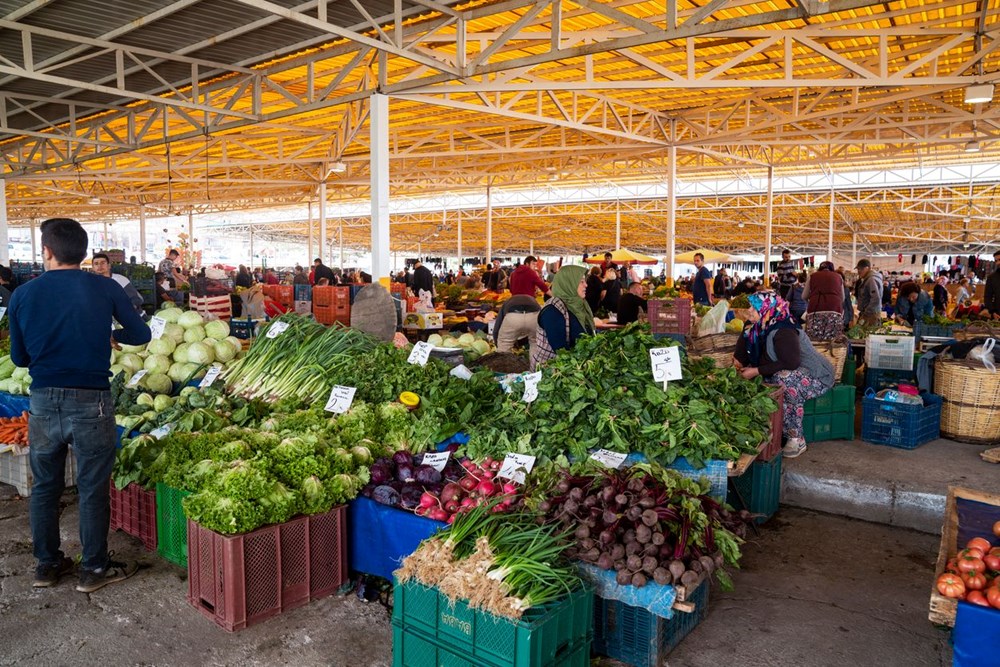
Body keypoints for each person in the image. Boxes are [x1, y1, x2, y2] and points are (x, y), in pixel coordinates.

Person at [9, 218, 151, 592]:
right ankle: (94, 569)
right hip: (92, 403)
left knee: (45, 487)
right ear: (85, 253)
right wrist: (108, 334)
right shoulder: (104, 288)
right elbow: (141, 334)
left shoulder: (24, 295)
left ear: (48, 252)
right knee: (92, 487)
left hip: (43, 401)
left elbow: (20, 358)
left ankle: (47, 565)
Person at [733, 291, 835, 459]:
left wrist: (756, 371)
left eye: (754, 307)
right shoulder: (753, 327)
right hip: (783, 371)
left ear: (767, 309)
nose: (749, 310)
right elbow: (741, 356)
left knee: (783, 378)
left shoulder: (783, 329)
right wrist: (735, 368)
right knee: (768, 379)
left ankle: (796, 438)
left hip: (815, 376)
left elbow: (790, 363)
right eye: (750, 306)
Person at [532, 265, 595, 369]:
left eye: (585, 281)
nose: (586, 285)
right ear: (569, 283)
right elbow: (561, 351)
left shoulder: (579, 305)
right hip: (554, 373)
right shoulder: (552, 311)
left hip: (577, 368)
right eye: (581, 281)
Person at [91, 253, 145, 318]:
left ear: (109, 266)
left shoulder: (120, 280)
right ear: (93, 268)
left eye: (103, 263)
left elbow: (137, 299)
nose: (99, 266)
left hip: (131, 317)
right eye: (96, 264)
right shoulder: (90, 284)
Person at [802, 261, 845, 339]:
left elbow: (804, 296)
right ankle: (833, 351)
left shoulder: (812, 276)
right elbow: (843, 298)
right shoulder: (838, 277)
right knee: (833, 338)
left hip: (815, 309)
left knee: (815, 338)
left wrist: (812, 297)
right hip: (835, 309)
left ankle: (815, 350)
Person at [854, 259, 883, 327]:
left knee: (868, 335)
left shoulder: (871, 279)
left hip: (871, 315)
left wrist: (867, 312)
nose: (859, 271)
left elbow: (876, 299)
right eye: (858, 269)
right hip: (870, 313)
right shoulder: (868, 279)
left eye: (861, 269)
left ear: (868, 268)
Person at [985, 250, 1000, 319]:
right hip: (998, 315)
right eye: (996, 261)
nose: (998, 263)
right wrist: (992, 312)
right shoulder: (992, 277)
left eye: (999, 260)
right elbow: (987, 297)